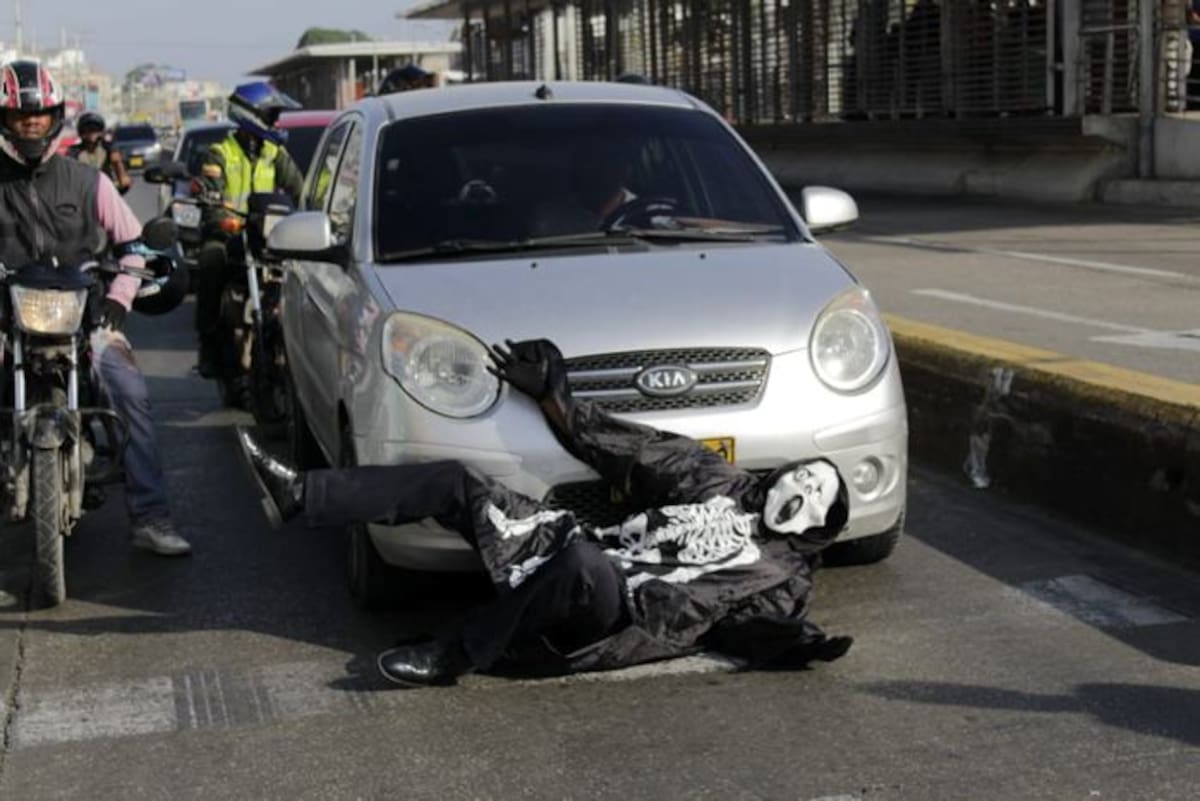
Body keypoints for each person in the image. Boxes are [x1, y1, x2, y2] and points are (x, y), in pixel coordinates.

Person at [237, 338, 853, 687]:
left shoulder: (785, 574)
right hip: (571, 542)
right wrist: (555, 394)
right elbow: (631, 451)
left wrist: (795, 642)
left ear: (819, 529)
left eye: (813, 497)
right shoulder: (720, 481)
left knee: (585, 566)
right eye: (802, 474)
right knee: (457, 482)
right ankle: (304, 495)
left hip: (620, 612)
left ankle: (452, 655)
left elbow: (745, 629)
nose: (799, 488)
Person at [0, 60, 190, 555]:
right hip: (6, 320)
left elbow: (135, 247)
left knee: (130, 391)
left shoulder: (90, 182)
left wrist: (118, 299)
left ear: (55, 115)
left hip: (86, 319)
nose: (32, 123)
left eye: (40, 114)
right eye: (22, 116)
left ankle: (151, 516)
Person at [192, 81, 304, 379]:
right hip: (229, 234)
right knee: (210, 262)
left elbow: (299, 190)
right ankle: (209, 343)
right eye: (271, 116)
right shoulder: (219, 153)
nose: (275, 123)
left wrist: (309, 211)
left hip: (267, 236)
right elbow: (210, 196)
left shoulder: (274, 152)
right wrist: (220, 215)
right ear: (251, 115)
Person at [70, 111, 131, 195]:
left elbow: (124, 181)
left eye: (95, 129)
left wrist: (117, 163)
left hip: (106, 193)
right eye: (88, 129)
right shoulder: (73, 152)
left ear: (101, 132)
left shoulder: (109, 149)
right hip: (83, 196)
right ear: (81, 132)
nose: (92, 133)